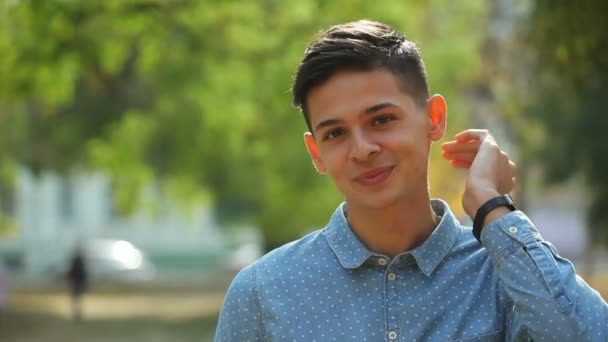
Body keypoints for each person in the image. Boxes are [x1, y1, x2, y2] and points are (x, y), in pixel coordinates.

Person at [214, 20, 608, 341]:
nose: (362, 148)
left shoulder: (505, 273)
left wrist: (491, 206)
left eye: (382, 120)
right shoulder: (262, 293)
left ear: (434, 119)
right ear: (316, 152)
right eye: (335, 133)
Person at [66, 247, 88, 322]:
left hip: (76, 283)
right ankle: (77, 315)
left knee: (76, 300)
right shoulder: (81, 262)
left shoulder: (75, 261)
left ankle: (77, 315)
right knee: (78, 300)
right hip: (78, 283)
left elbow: (72, 272)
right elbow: (84, 274)